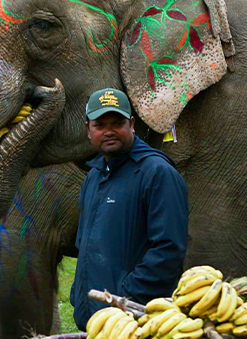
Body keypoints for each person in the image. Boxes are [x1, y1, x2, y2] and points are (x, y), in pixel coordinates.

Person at [70, 88, 188, 330]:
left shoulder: (157, 173)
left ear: (132, 124)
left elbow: (168, 250)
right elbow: (85, 245)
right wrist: (78, 296)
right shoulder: (93, 177)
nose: (109, 131)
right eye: (100, 124)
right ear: (88, 130)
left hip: (134, 321)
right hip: (95, 319)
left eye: (117, 123)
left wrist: (125, 298)